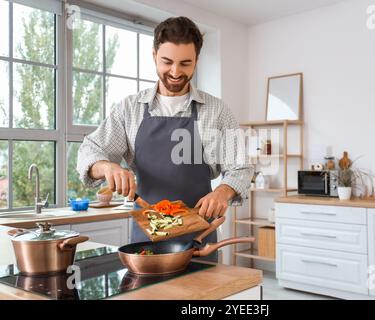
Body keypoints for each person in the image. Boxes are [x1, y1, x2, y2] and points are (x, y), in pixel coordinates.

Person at [76, 16, 254, 262]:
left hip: (199, 239)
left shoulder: (217, 110)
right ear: (154, 55)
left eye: (185, 63)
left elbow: (241, 167)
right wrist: (107, 167)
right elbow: (90, 150)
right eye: (167, 61)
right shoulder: (130, 109)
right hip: (146, 244)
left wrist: (223, 192)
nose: (175, 72)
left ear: (197, 61)